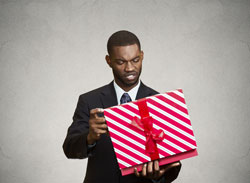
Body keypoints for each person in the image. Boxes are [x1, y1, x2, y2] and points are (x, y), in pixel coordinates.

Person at [63, 30, 181, 183]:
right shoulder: (89, 100)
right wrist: (89, 137)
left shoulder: (161, 103)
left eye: (135, 60)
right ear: (109, 61)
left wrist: (159, 176)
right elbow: (69, 148)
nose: (130, 68)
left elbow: (174, 164)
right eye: (121, 62)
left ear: (142, 56)